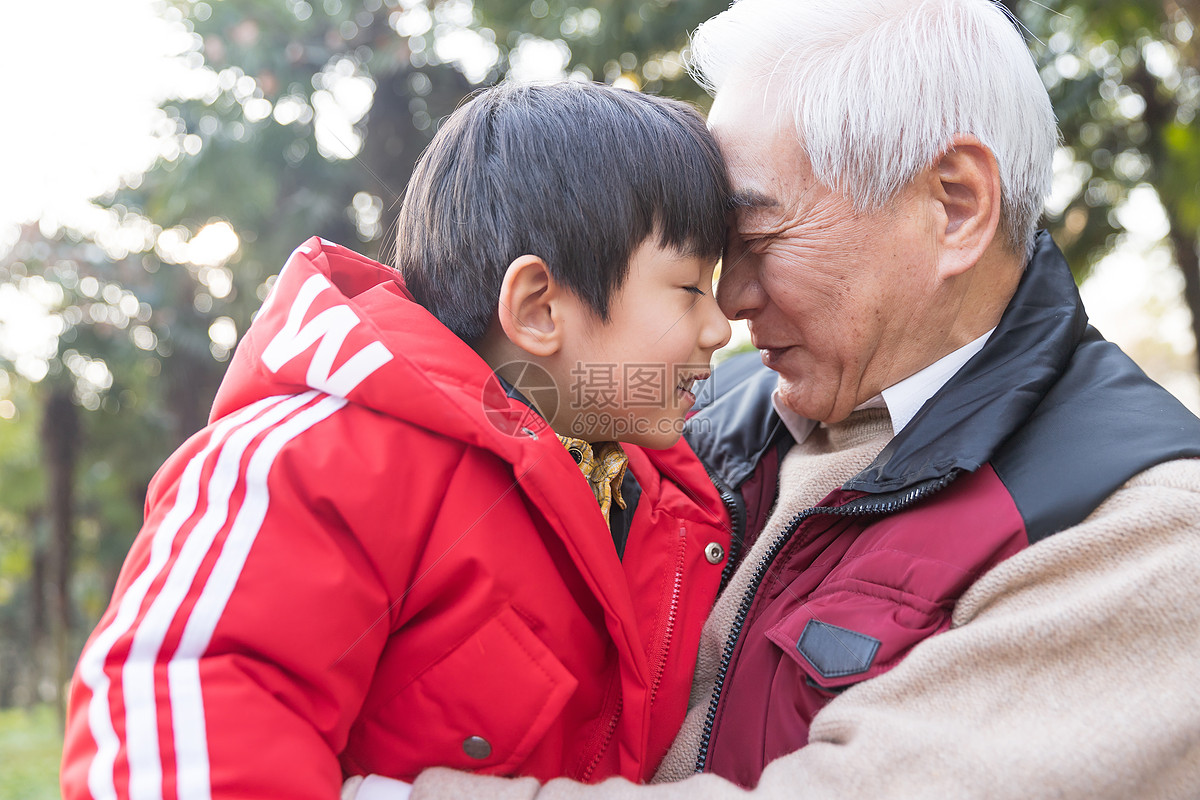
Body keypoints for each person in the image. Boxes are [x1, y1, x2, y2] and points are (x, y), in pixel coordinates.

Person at [398, 1, 1200, 798]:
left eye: (755, 240)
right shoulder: (701, 420)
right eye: (708, 259)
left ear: (954, 206)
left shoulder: (1140, 537)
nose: (730, 302)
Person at [59, 81, 737, 800]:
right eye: (690, 289)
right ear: (539, 308)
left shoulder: (664, 504)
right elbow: (183, 726)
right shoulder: (316, 463)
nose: (721, 328)